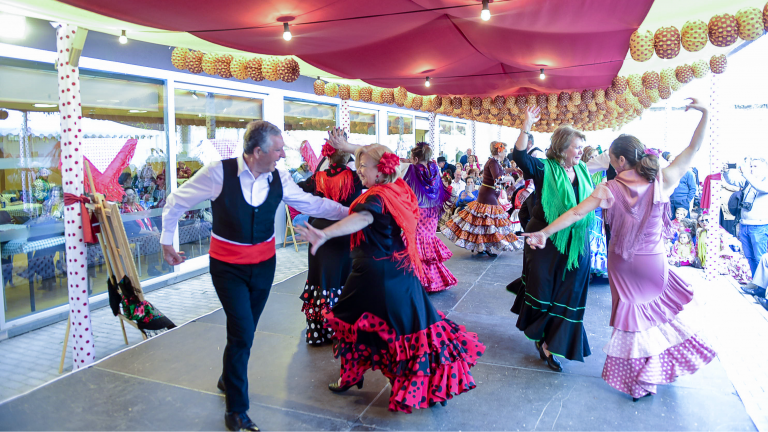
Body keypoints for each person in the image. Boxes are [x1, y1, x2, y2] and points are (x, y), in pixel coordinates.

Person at [159, 121, 348, 432]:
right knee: (242, 332)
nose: (282, 154)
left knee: (244, 333)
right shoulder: (217, 173)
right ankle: (237, 411)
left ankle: (227, 378)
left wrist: (351, 211)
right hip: (227, 268)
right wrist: (167, 241)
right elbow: (176, 201)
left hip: (264, 266)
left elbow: (311, 203)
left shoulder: (279, 176)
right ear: (257, 151)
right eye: (278, 149)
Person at [523, 98, 716, 401]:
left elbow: (575, 214)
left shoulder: (608, 189)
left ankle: (640, 379)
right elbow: (692, 149)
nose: (610, 165)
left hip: (623, 264)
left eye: (611, 160)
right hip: (655, 263)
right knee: (654, 315)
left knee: (631, 322)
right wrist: (705, 113)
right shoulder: (663, 180)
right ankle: (657, 365)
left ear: (621, 162)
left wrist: (545, 232)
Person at [295, 144, 485, 413]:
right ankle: (428, 385)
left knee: (353, 323)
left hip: (373, 274)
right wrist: (349, 147)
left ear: (381, 169)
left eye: (363, 166)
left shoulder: (375, 198)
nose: (358, 170)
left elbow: (361, 219)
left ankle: (362, 377)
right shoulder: (399, 188)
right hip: (401, 271)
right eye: (358, 165)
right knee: (417, 328)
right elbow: (372, 161)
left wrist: (325, 234)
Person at [510, 107, 593, 373]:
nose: (580, 152)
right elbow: (519, 156)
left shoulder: (583, 171)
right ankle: (542, 337)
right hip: (543, 240)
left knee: (569, 290)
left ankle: (552, 343)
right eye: (576, 147)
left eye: (581, 147)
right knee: (543, 289)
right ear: (561, 148)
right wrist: (527, 124)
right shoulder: (545, 168)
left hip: (575, 242)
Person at [296, 142, 364, 345]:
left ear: (328, 157)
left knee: (320, 280)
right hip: (345, 231)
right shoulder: (354, 178)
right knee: (346, 279)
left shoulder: (316, 178)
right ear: (347, 159)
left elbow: (297, 190)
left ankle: (319, 331)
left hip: (318, 232)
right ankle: (342, 330)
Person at [443, 141, 520, 257]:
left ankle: (482, 246)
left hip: (489, 194)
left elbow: (501, 172)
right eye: (504, 151)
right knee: (488, 221)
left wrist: (512, 171)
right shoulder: (493, 162)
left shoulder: (494, 162)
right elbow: (498, 178)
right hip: (488, 195)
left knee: (485, 222)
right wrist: (512, 179)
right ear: (499, 151)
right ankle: (484, 246)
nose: (505, 153)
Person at [402, 142, 456, 293]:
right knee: (428, 246)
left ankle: (418, 280)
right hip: (432, 211)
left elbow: (402, 185)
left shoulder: (412, 169)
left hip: (417, 212)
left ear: (416, 158)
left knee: (415, 244)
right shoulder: (435, 169)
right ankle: (433, 280)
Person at [734, 158, 768, 280]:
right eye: (751, 166)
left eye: (755, 166)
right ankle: (755, 283)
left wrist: (746, 174)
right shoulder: (749, 182)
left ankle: (763, 288)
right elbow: (734, 181)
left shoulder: (763, 181)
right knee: (749, 257)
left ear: (765, 168)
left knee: (760, 258)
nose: (752, 168)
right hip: (745, 224)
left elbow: (760, 188)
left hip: (759, 226)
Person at [582, 146, 608, 278]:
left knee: (598, 236)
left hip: (598, 208)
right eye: (592, 157)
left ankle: (598, 267)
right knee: (589, 238)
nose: (594, 159)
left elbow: (603, 188)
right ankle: (589, 268)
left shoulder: (603, 172)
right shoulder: (582, 170)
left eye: (596, 156)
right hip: (586, 206)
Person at [663, 152, 697, 219]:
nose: (672, 162)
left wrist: (687, 200)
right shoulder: (666, 172)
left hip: (682, 202)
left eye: (673, 160)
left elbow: (693, 188)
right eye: (670, 161)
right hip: (670, 201)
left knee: (685, 223)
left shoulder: (687, 173)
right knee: (670, 221)